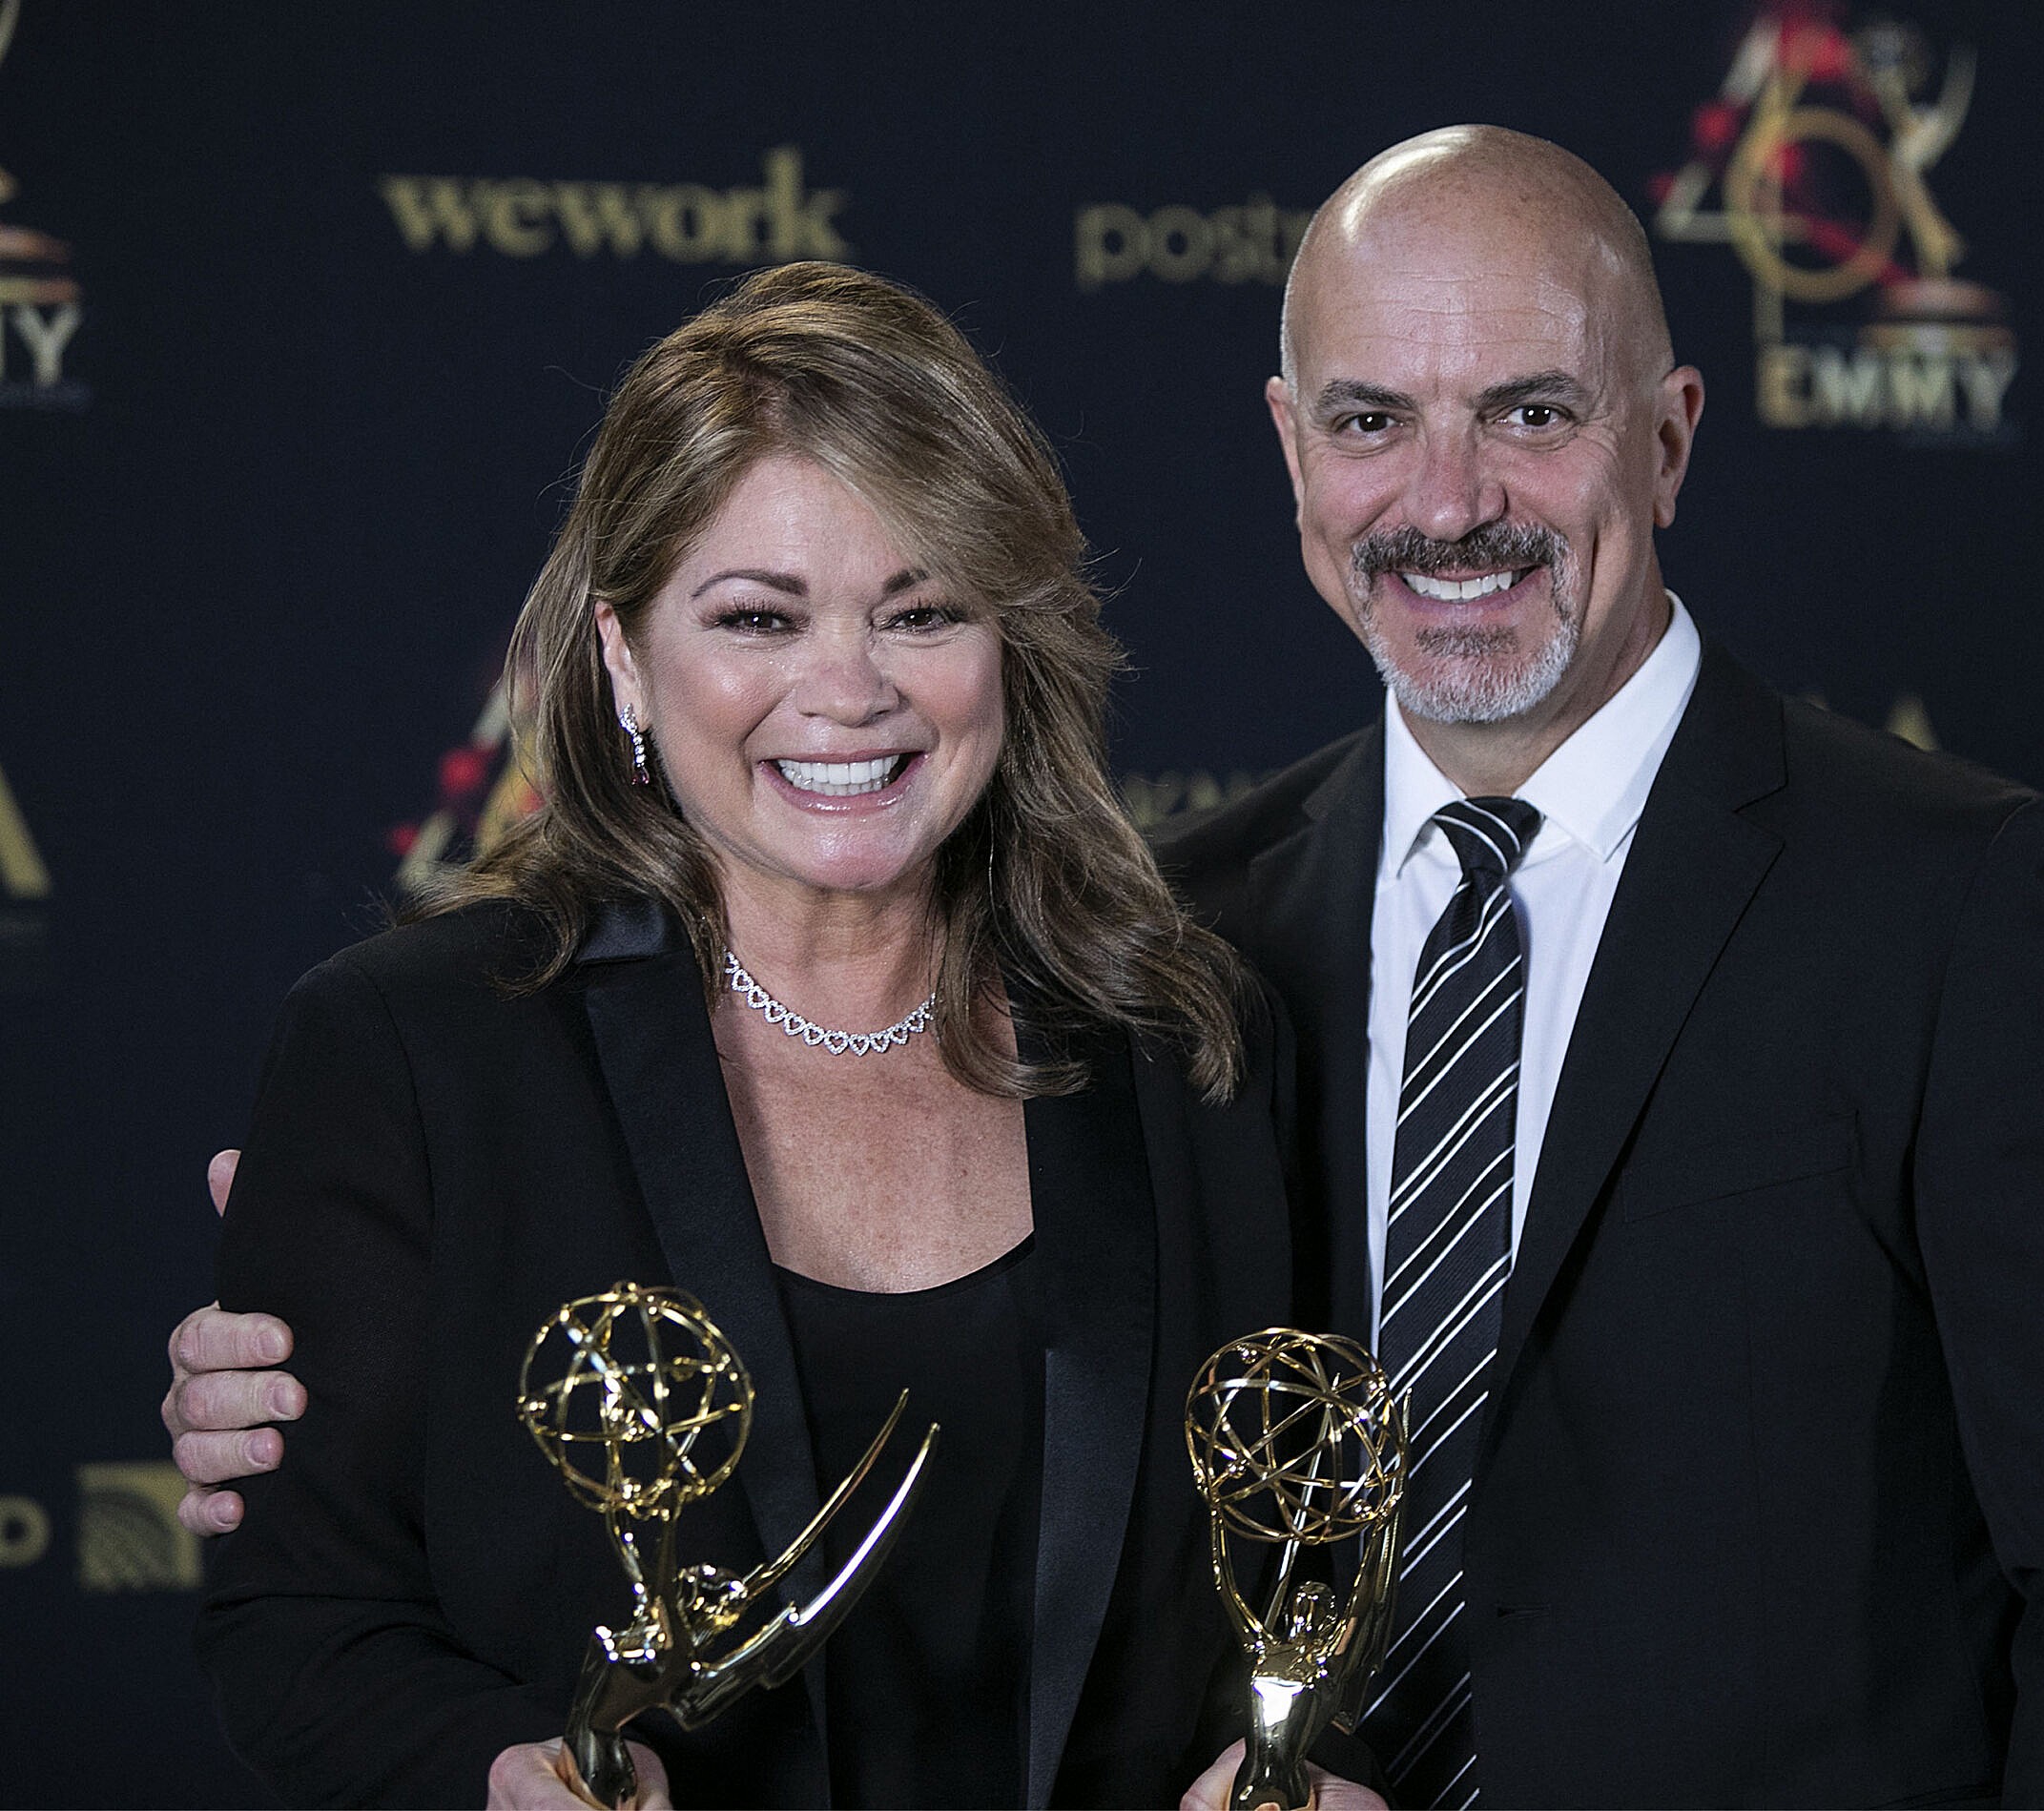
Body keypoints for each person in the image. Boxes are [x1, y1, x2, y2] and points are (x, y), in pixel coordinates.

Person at [174, 128, 2044, 1807]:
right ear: (1289, 451)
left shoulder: (1951, 902)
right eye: (1372, 416)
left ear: (1667, 436)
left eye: (1530, 412)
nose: (1445, 501)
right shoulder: (1202, 945)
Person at [185, 259, 1323, 1810]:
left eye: (920, 609)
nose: (846, 691)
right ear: (621, 657)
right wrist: (500, 1778)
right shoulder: (416, 1055)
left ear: (1012, 646)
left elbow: (1328, 1557)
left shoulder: (1190, 1045)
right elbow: (301, 1627)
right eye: (758, 617)